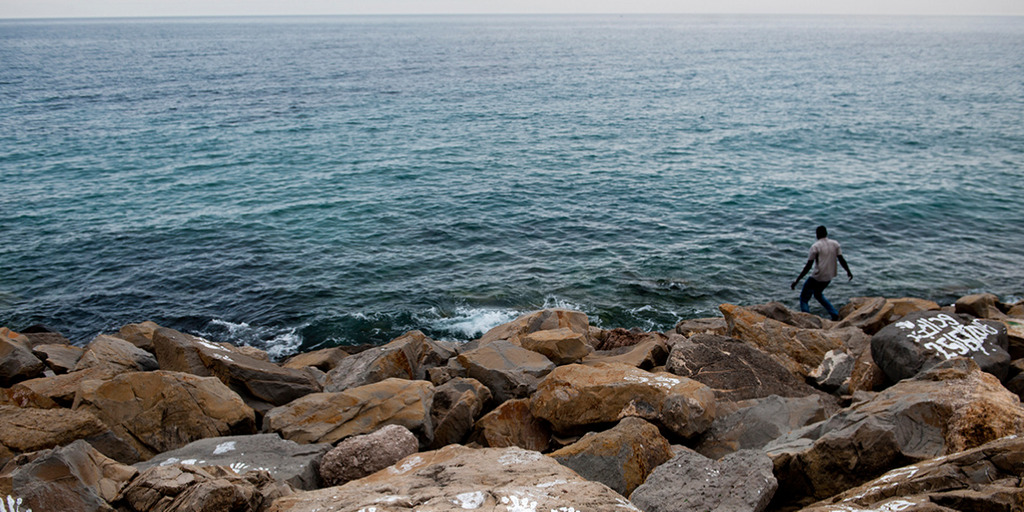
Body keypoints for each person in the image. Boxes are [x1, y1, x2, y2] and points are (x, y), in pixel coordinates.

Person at [791, 225, 852, 321]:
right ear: (826, 233)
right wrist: (848, 271)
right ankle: (834, 314)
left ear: (816, 235)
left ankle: (806, 318)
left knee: (804, 298)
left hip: (817, 276)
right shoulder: (835, 244)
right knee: (818, 294)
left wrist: (797, 280)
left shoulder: (815, 246)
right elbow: (841, 259)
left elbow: (808, 266)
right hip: (829, 276)